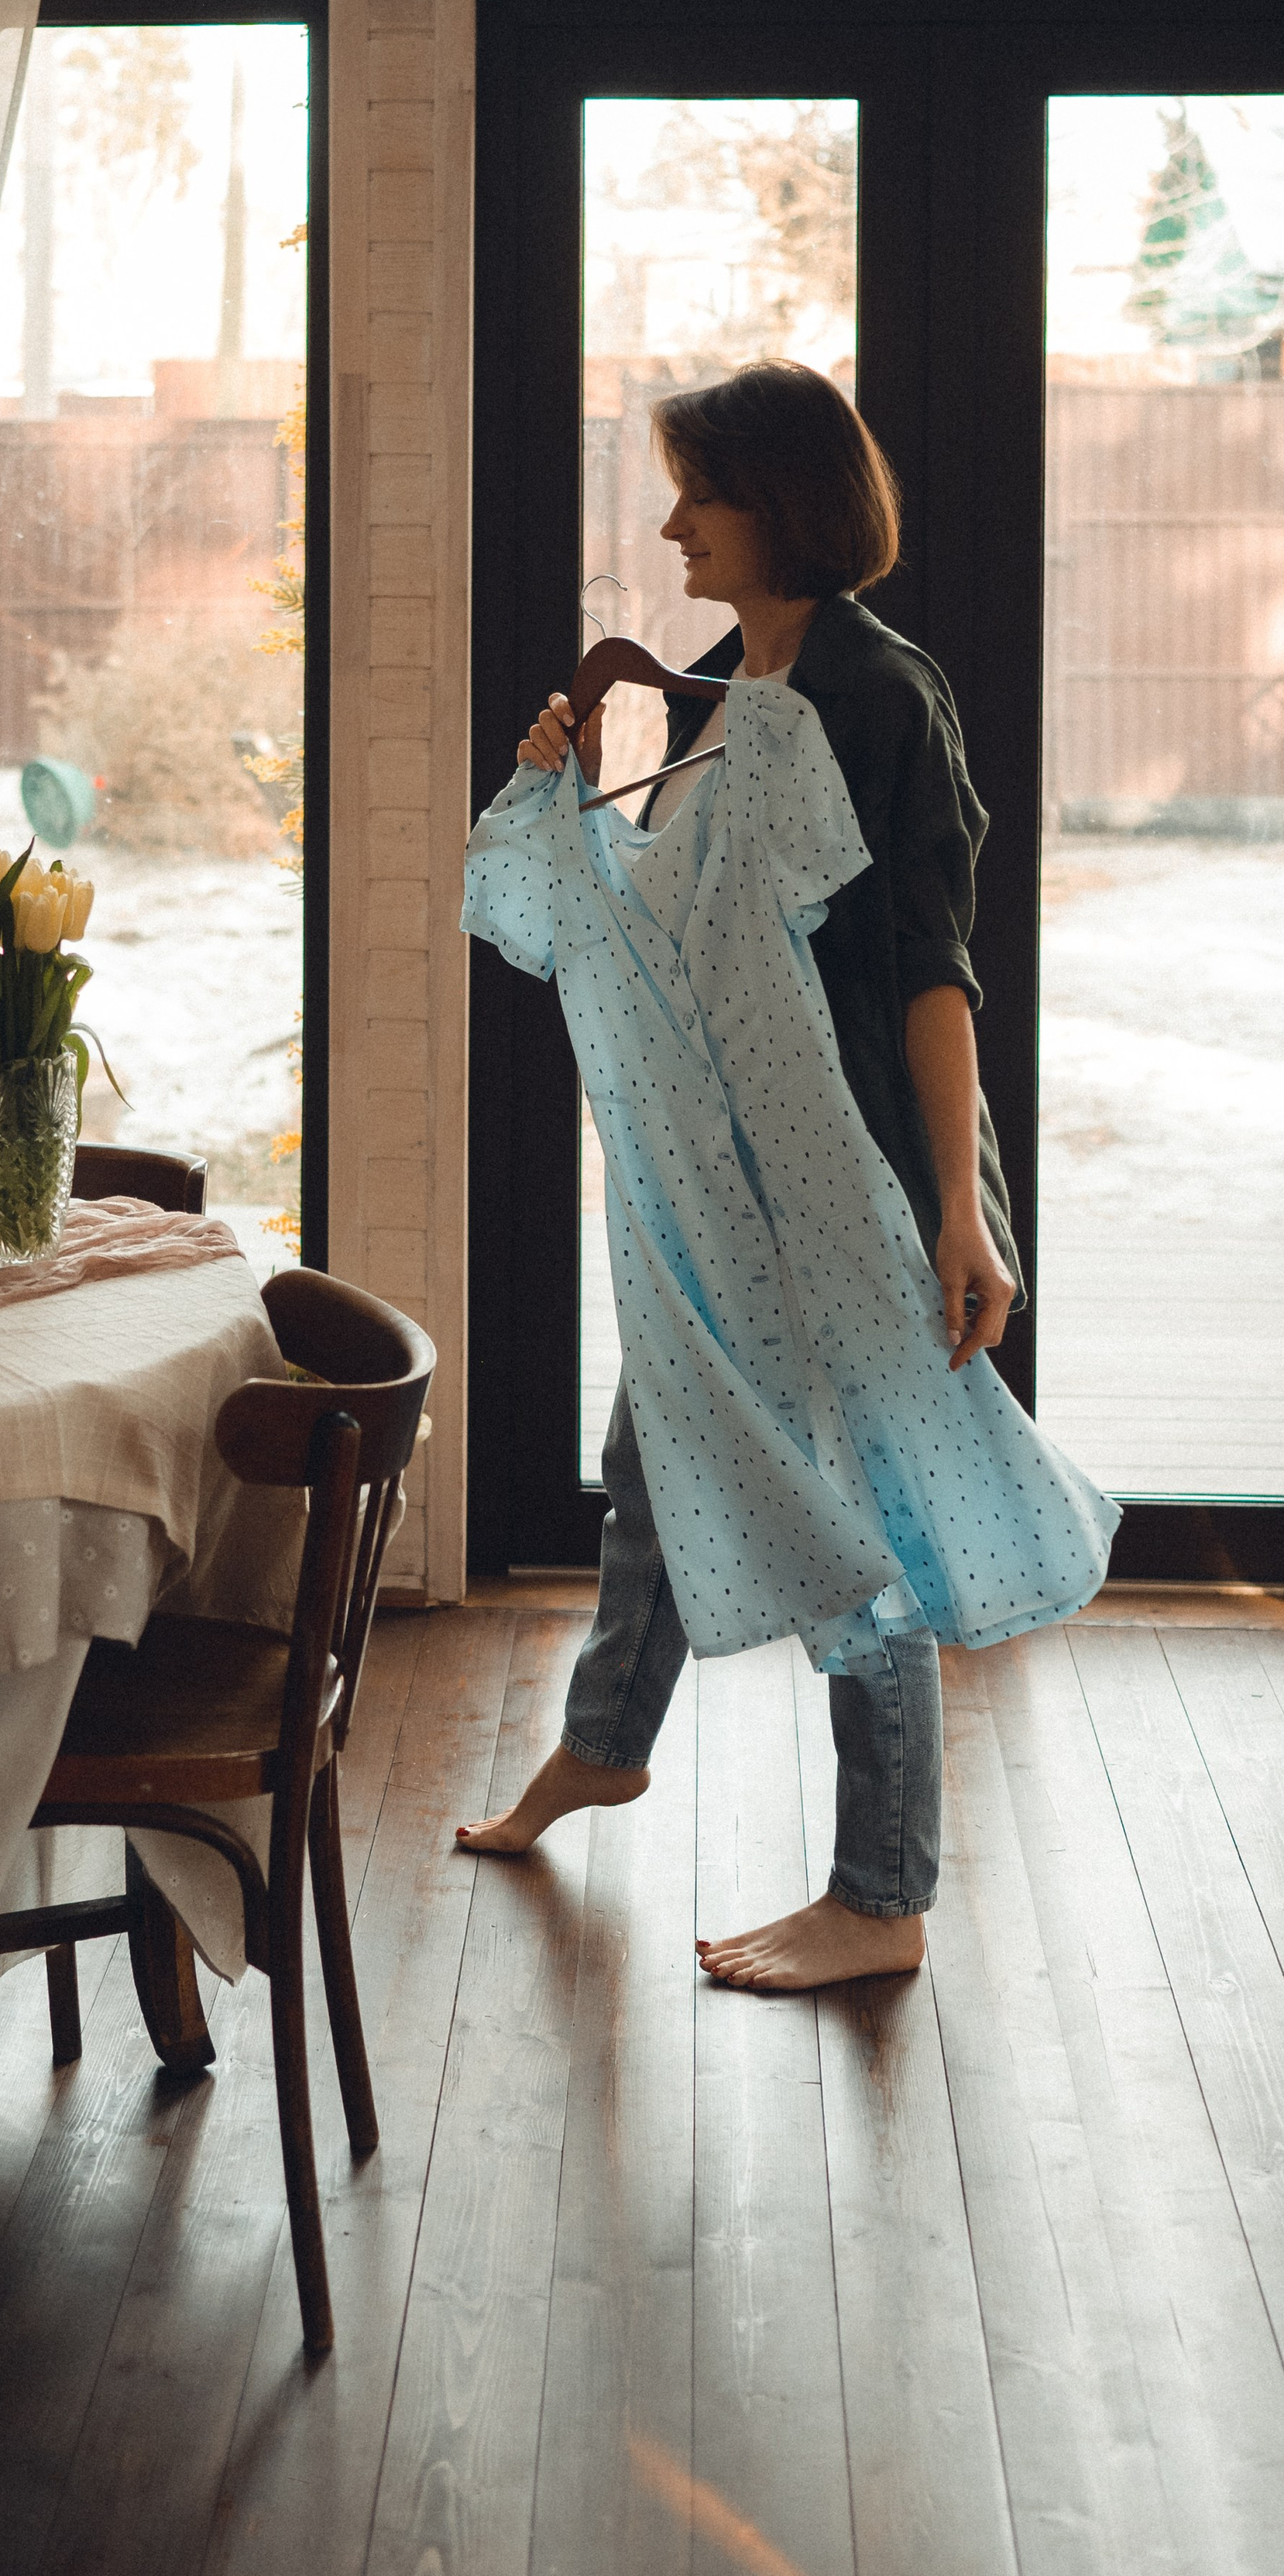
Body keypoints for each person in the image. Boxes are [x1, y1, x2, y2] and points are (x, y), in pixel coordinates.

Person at [456, 360, 1025, 1994]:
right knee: (656, 1447)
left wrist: (955, 1209)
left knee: (856, 1523)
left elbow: (930, 970)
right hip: (733, 1181)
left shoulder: (871, 694)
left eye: (692, 494)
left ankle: (879, 1891)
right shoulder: (729, 683)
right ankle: (603, 1749)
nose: (667, 523)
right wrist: (567, 780)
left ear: (771, 502)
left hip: (852, 1171)